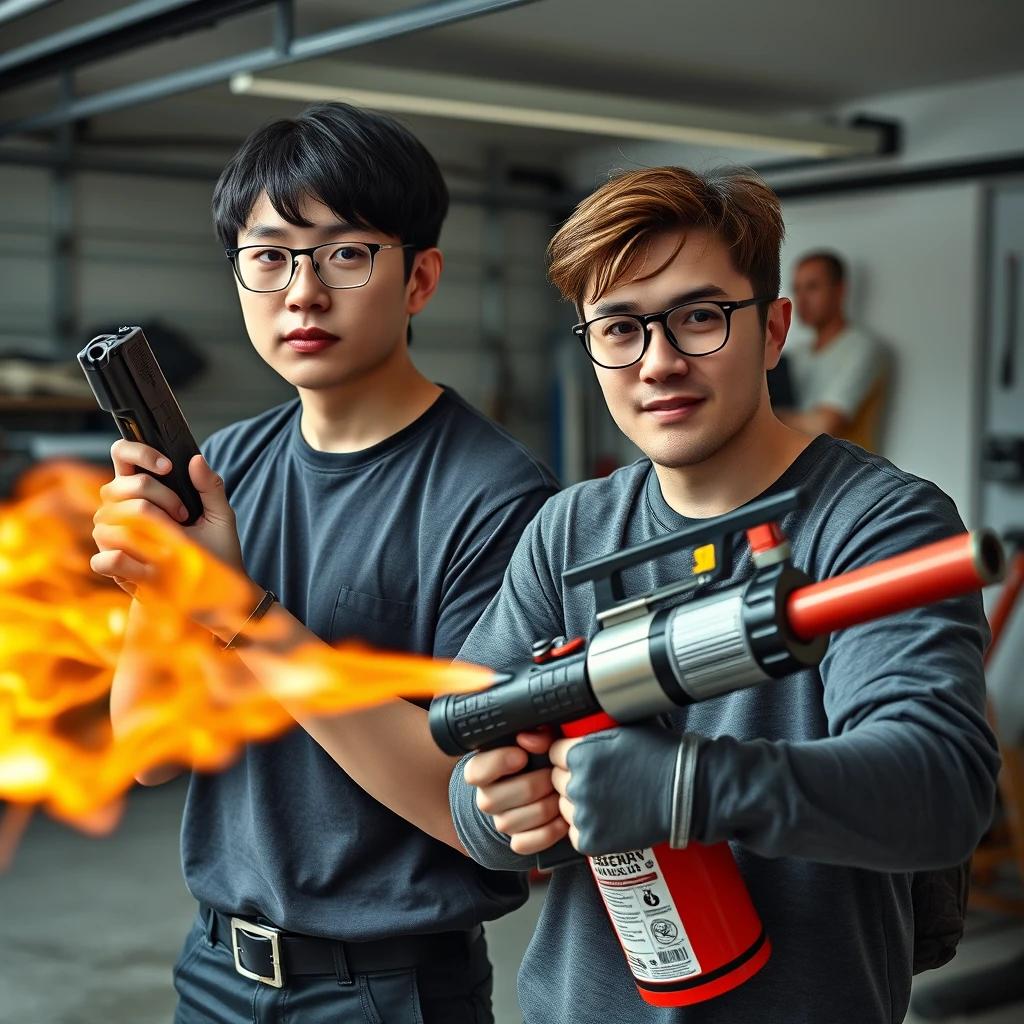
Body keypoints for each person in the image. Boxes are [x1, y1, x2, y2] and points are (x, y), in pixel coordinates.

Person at [449, 166, 1000, 1023]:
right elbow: (468, 762)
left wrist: (691, 786)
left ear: (774, 330)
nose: (659, 362)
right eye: (620, 328)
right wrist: (503, 812)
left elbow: (941, 787)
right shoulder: (568, 532)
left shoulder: (878, 523)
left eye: (700, 317)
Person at [90, 101, 557, 1023]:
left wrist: (242, 614)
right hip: (215, 971)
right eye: (268, 258)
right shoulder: (224, 465)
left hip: (389, 991)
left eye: (346, 253)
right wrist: (162, 584)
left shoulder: (498, 500)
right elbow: (147, 751)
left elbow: (475, 812)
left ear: (420, 278)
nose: (301, 292)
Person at [776, 250, 886, 450]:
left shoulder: (863, 347)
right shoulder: (794, 354)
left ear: (840, 291)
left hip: (849, 474)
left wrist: (768, 415)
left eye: (812, 287)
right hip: (798, 468)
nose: (801, 299)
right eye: (797, 289)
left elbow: (824, 426)